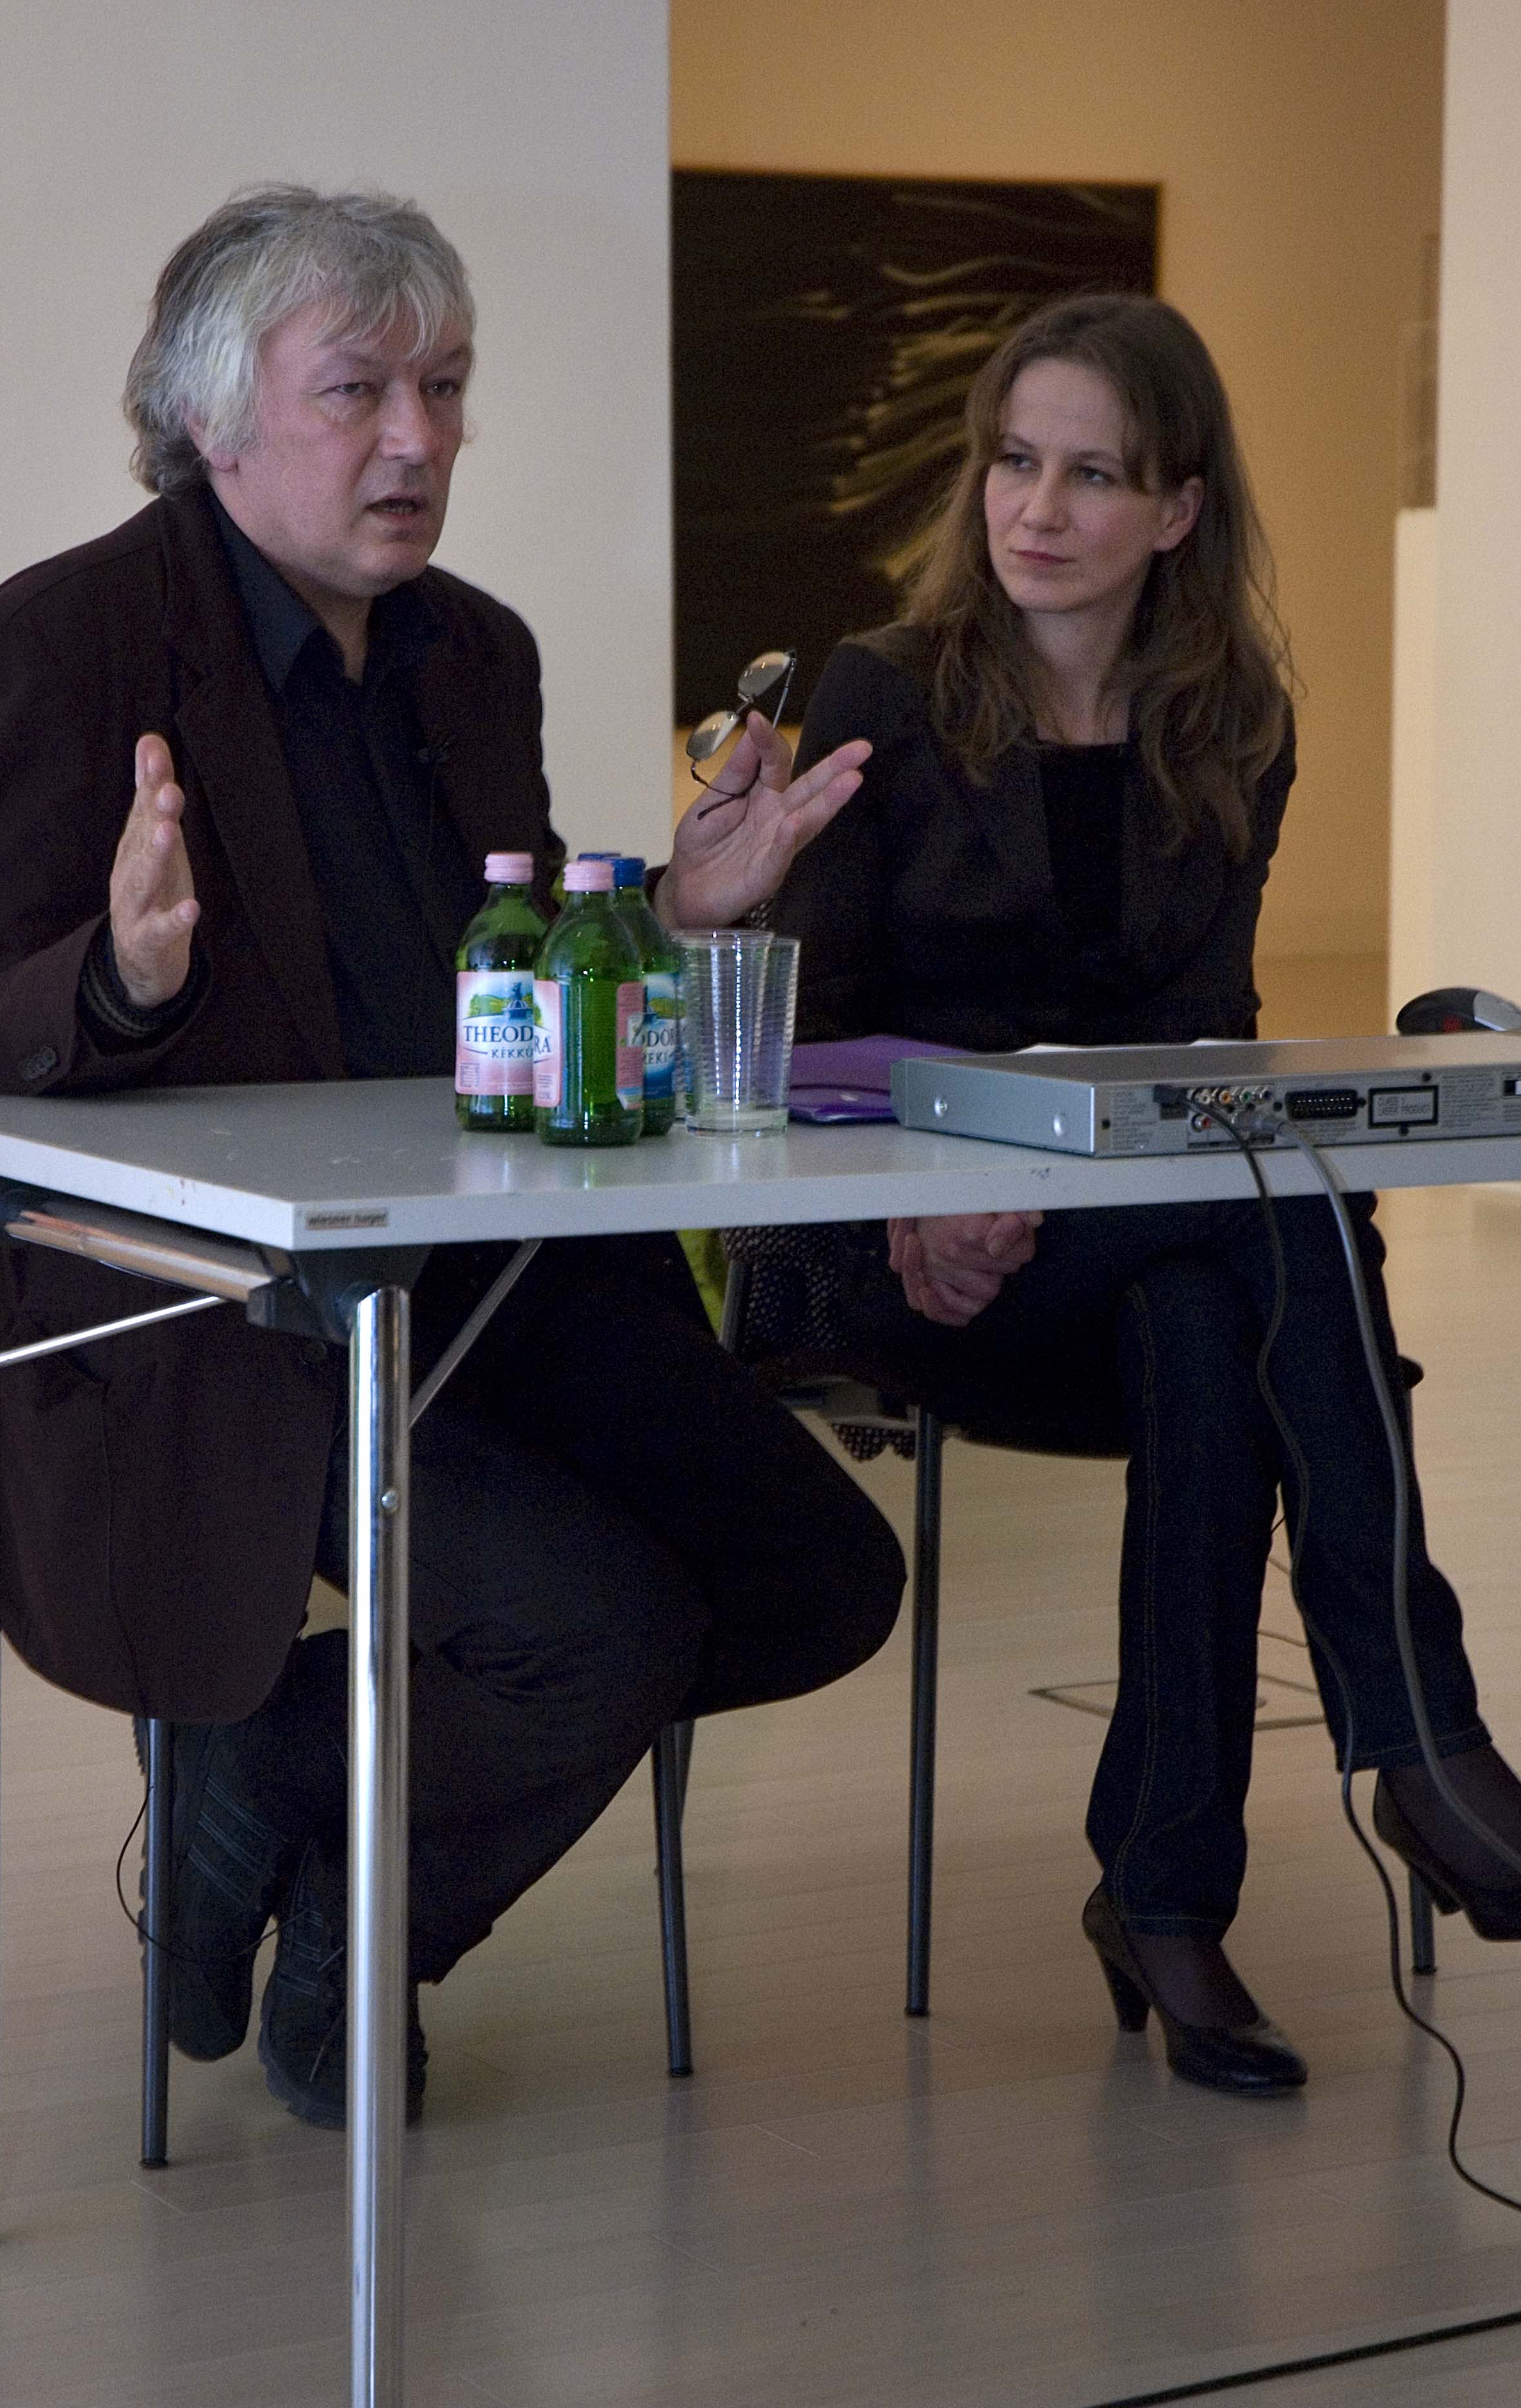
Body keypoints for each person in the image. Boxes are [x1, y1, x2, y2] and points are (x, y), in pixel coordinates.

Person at [0, 184, 904, 2127]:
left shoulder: (476, 654)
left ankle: (271, 1775)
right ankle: (377, 1935)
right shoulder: (59, 646)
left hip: (489, 1277)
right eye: (357, 389)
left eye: (444, 388)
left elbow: (489, 994)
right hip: (207, 1324)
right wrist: (112, 984)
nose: (417, 439)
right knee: (589, 1634)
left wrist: (671, 924)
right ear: (211, 418)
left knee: (813, 1581)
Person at [718, 292, 1521, 2095]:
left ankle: (1166, 1902)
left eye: (1092, 474)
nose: (1037, 508)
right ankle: (1418, 1737)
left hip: (1128, 1251)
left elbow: (1199, 1037)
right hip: (898, 1255)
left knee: (1208, 1319)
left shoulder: (1231, 717)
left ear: (1176, 510)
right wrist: (923, 1196)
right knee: (1281, 1218)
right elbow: (805, 1034)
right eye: (1015, 461)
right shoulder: (886, 691)